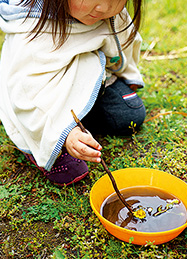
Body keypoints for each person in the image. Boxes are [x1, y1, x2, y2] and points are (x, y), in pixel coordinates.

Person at [0, 0, 146, 186]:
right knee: (68, 169)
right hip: (40, 99)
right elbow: (27, 94)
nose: (104, 8)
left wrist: (125, 74)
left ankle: (81, 112)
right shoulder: (33, 32)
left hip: (91, 74)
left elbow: (124, 41)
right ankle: (43, 141)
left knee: (130, 114)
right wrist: (65, 132)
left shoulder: (107, 13)